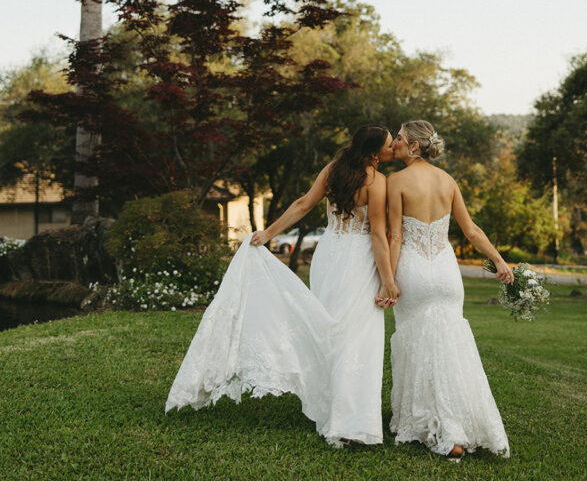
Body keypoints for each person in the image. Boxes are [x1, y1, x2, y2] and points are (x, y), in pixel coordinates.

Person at [166, 124, 398, 448]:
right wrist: (388, 281)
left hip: (329, 256)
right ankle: (351, 422)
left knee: (328, 331)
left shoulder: (334, 170)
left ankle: (333, 408)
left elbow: (303, 204)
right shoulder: (378, 181)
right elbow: (376, 234)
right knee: (357, 337)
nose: (394, 148)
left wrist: (269, 232)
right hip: (358, 261)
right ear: (374, 152)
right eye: (390, 144)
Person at [385, 120, 511, 461]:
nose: (393, 142)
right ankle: (463, 423)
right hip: (445, 272)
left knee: (419, 345)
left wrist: (389, 280)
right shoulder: (448, 181)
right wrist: (499, 261)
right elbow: (470, 230)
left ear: (413, 145)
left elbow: (395, 237)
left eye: (398, 138)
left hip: (414, 270)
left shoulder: (395, 182)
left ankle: (439, 428)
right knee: (451, 346)